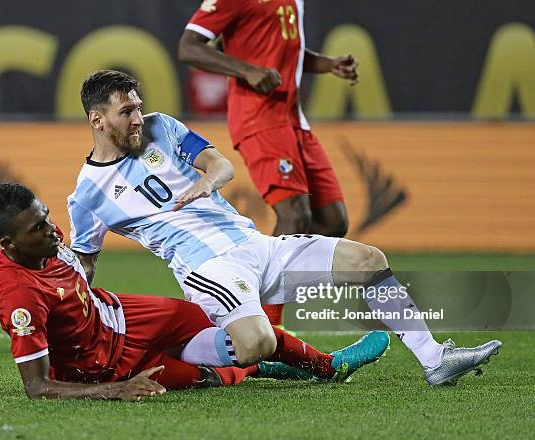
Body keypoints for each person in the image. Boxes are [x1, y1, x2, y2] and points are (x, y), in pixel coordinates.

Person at [68, 70, 501, 386]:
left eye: (138, 106)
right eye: (127, 112)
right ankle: (192, 352)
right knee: (256, 344)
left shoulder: (162, 127)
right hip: (209, 269)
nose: (138, 117)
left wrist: (206, 182)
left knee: (368, 260)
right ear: (97, 120)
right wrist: (77, 323)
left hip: (255, 246)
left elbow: (220, 165)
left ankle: (434, 360)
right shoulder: (87, 195)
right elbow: (85, 266)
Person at [0, 183, 388, 401]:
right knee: (214, 375)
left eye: (46, 217)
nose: (51, 231)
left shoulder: (48, 240)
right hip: (101, 364)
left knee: (211, 323)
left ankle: (291, 362)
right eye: (36, 229)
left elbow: (78, 270)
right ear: (9, 244)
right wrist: (117, 390)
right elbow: (37, 387)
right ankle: (322, 366)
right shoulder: (18, 295)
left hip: (123, 313)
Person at [178, 0, 357, 326]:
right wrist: (247, 69)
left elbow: (284, 53)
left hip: (293, 120)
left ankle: (239, 286)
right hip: (258, 117)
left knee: (332, 222)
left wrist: (328, 64)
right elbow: (189, 47)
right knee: (294, 216)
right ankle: (269, 332)